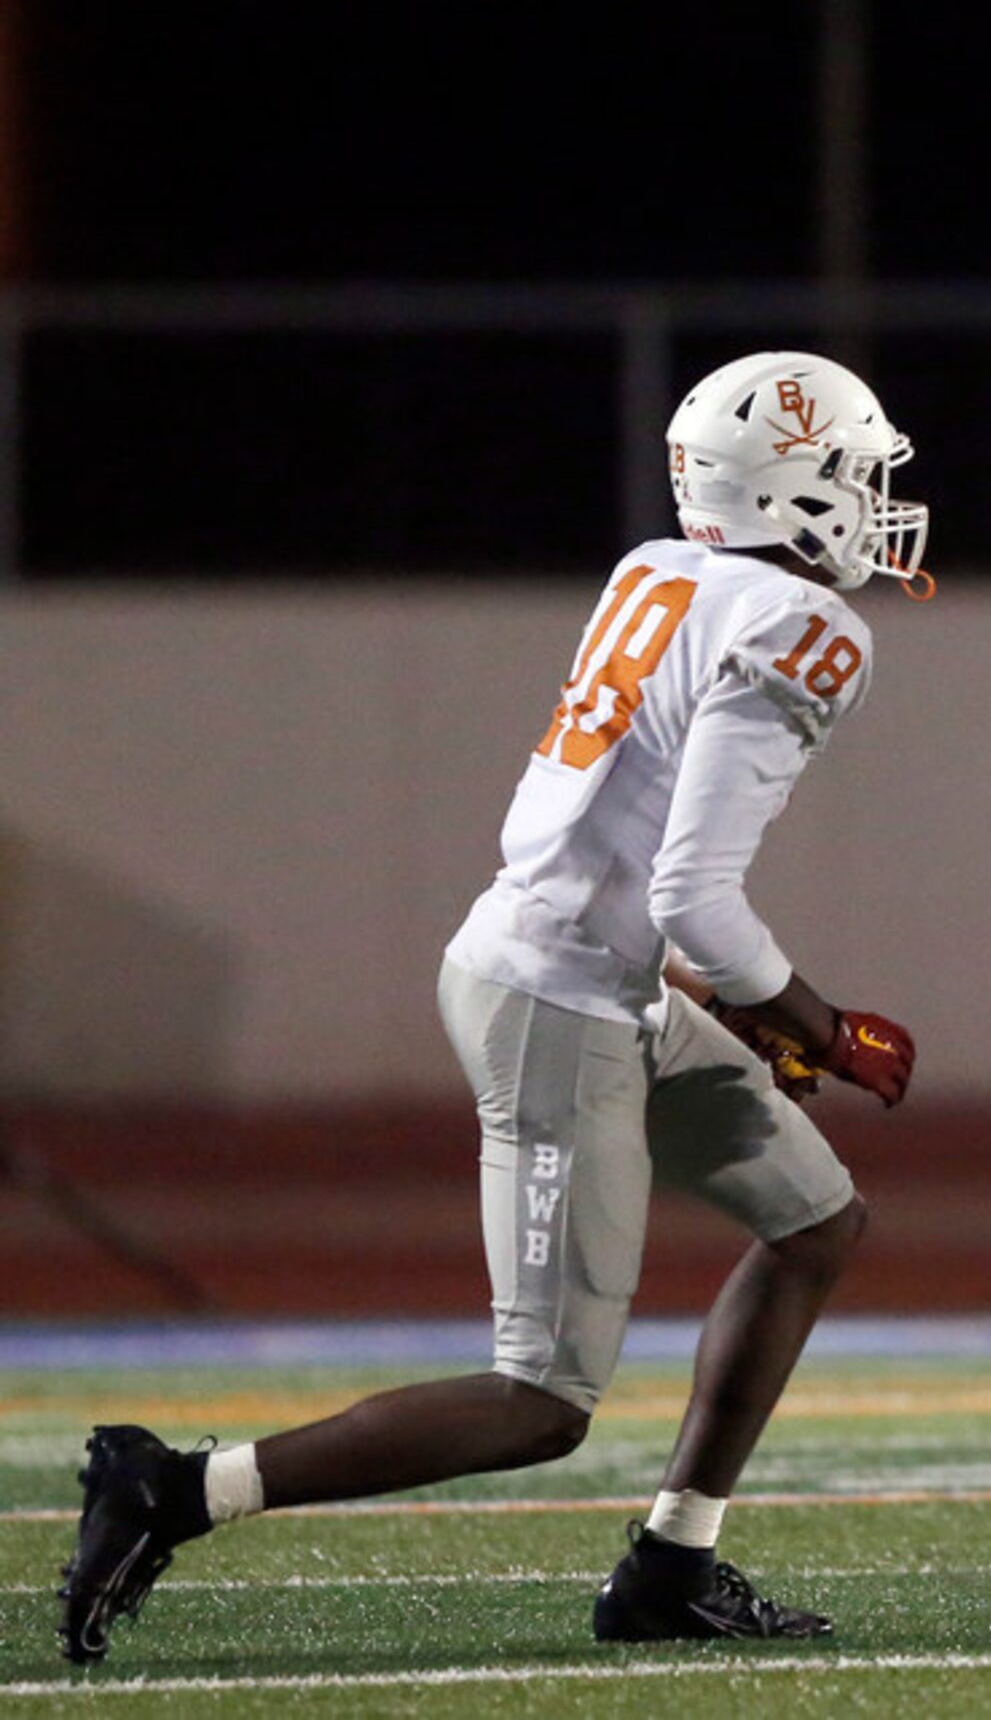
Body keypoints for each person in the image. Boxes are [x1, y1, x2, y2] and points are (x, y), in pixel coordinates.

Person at [58, 351, 929, 1665]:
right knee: (539, 1400)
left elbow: (609, 852)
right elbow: (694, 889)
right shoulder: (806, 626)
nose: (873, 501)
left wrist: (718, 998)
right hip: (558, 999)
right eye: (855, 475)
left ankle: (670, 1565)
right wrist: (818, 1021)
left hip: (582, 970)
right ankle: (174, 1488)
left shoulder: (658, 569)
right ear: (790, 488)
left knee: (814, 1220)